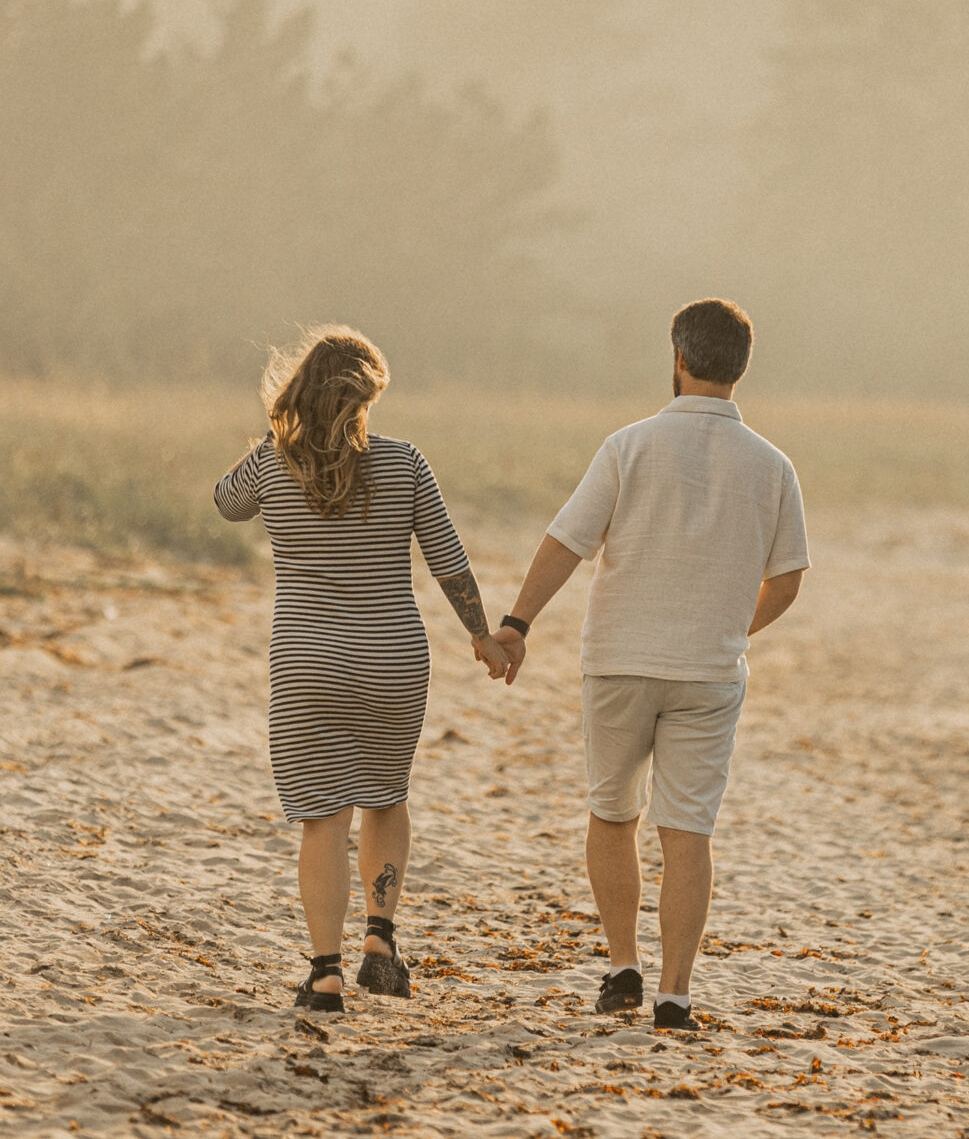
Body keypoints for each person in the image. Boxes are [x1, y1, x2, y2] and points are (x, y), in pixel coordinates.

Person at [487, 298, 807, 1031]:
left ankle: (622, 965)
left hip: (619, 661)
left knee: (611, 812)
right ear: (741, 368)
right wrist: (732, 627)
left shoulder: (628, 446)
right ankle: (675, 993)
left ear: (677, 357)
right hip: (710, 670)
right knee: (687, 830)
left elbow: (567, 540)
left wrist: (516, 622)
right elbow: (787, 580)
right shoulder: (772, 465)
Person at [213, 326, 509, 1012]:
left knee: (324, 817)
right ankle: (381, 939)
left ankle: (324, 974)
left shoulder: (270, 462)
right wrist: (482, 636)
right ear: (367, 395)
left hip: (307, 661)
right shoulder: (405, 463)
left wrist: (275, 431)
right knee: (385, 793)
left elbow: (225, 502)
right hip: (391, 659)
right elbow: (448, 560)